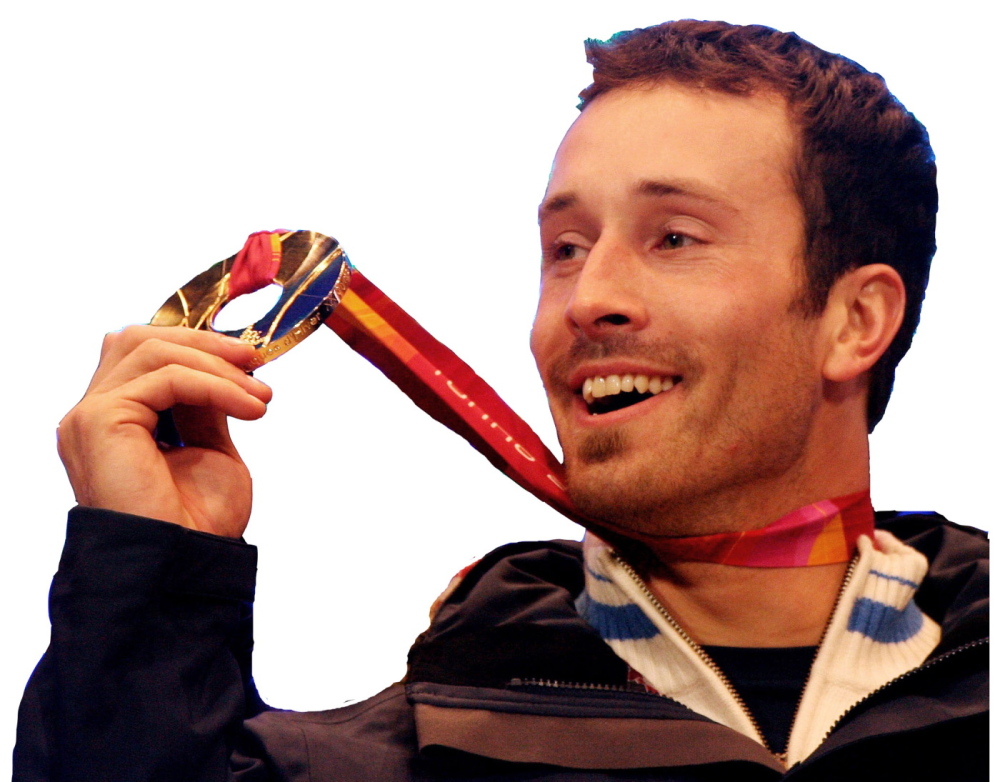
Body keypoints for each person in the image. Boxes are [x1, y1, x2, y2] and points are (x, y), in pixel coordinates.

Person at [14, 19, 987, 781]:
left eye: (674, 237)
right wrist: (151, 580)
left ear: (855, 319)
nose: (590, 295)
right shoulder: (387, 760)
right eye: (564, 248)